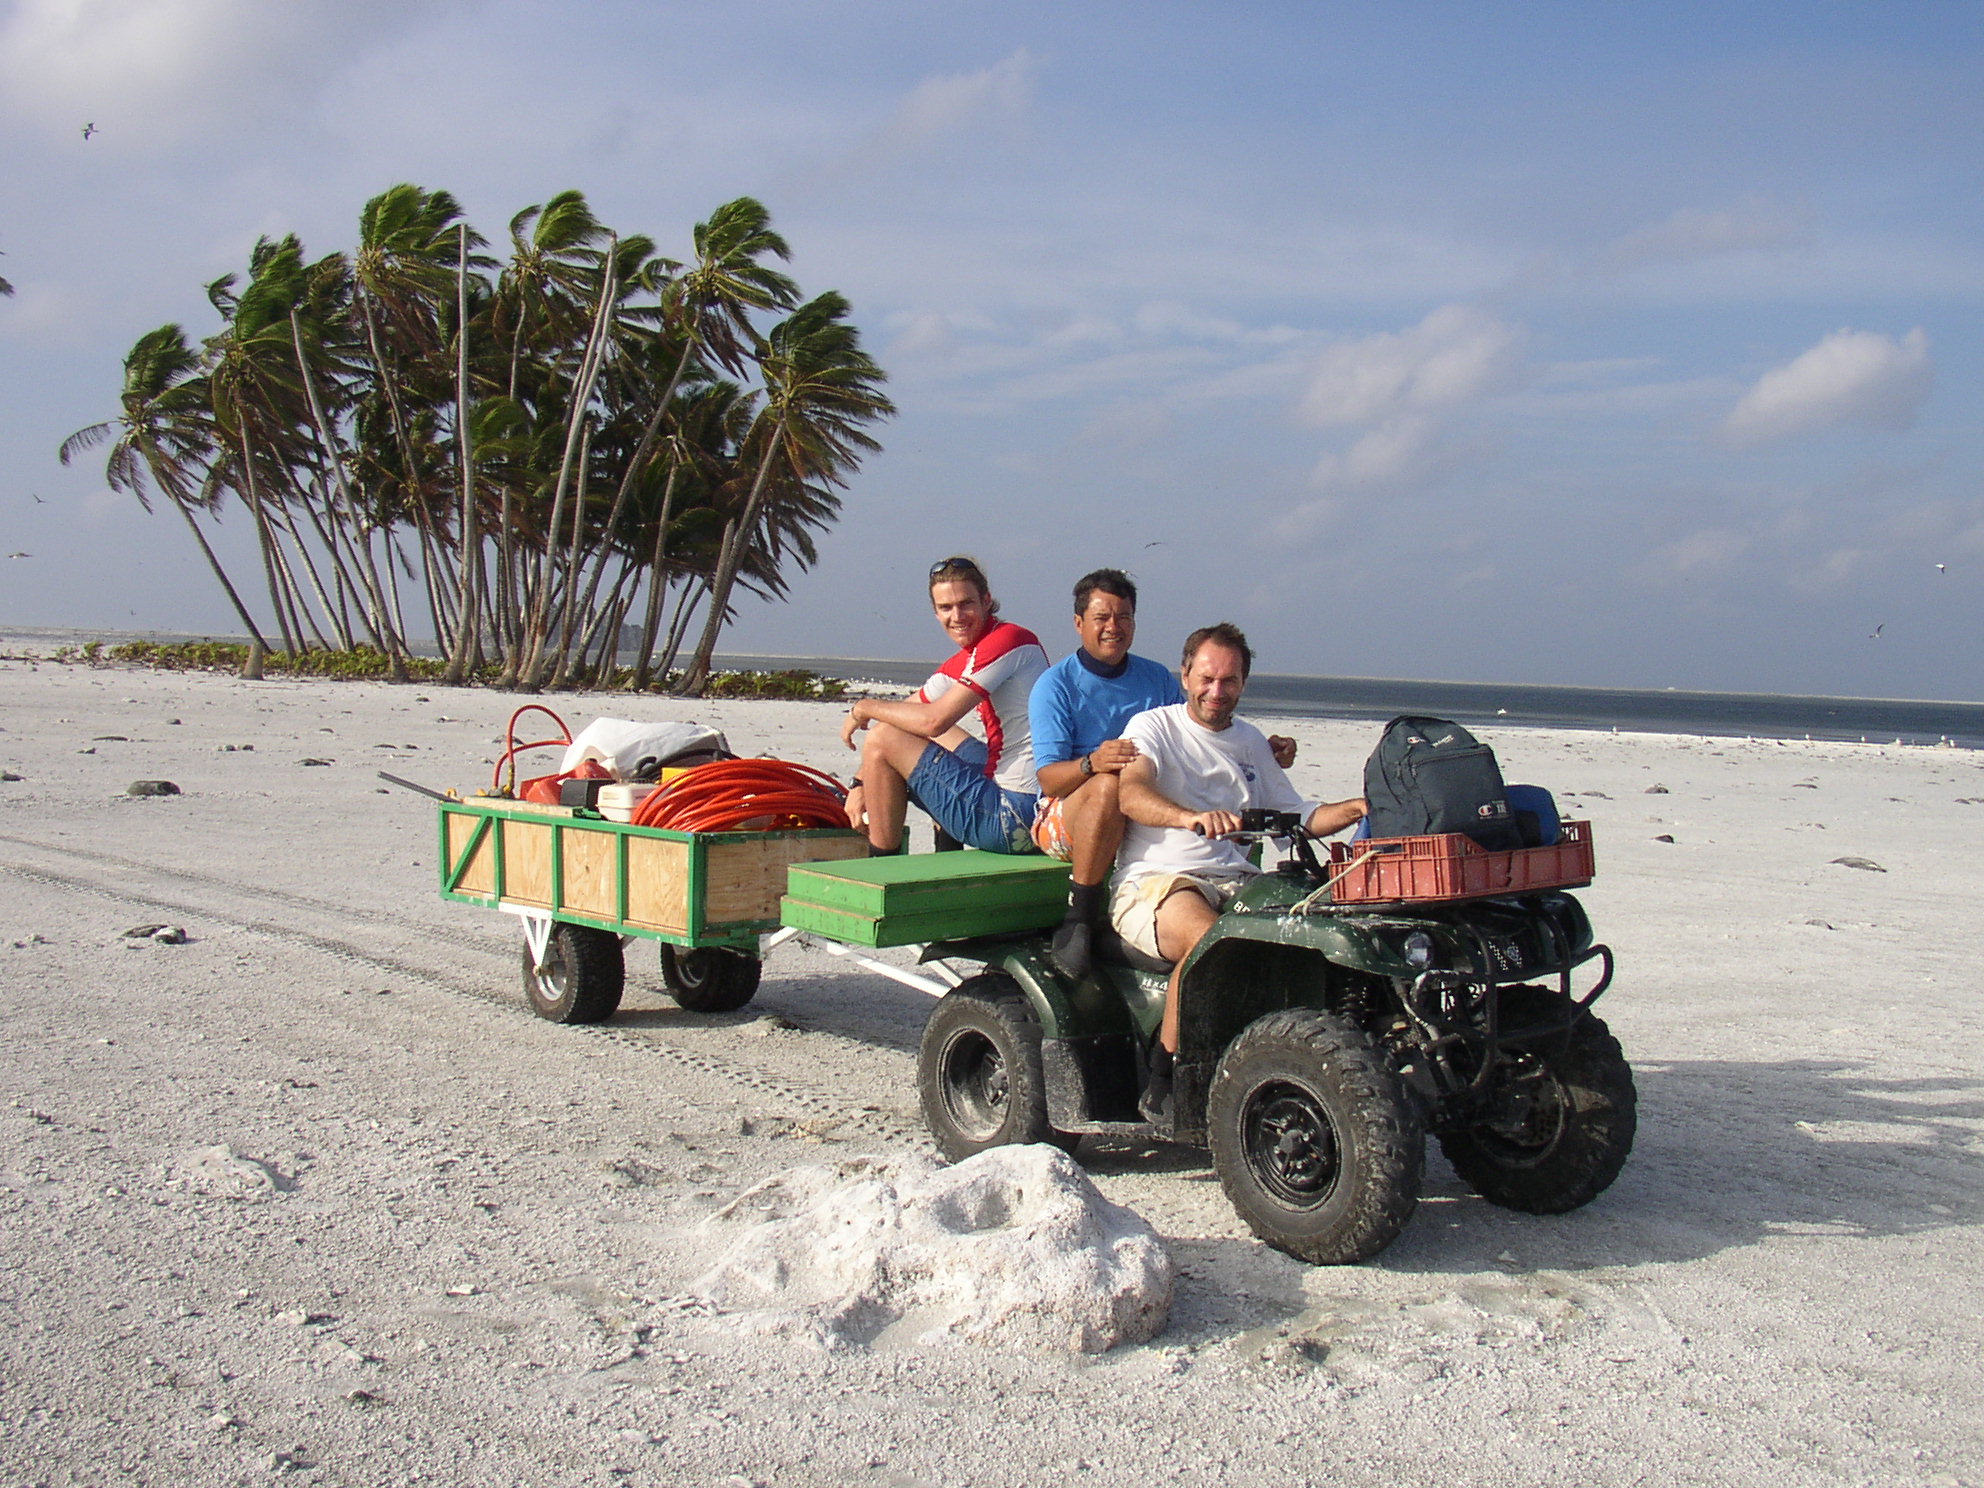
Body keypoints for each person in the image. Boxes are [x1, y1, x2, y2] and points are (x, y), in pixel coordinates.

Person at [1111, 622, 1365, 1121]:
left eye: (1228, 681)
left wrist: (1356, 807)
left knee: (1317, 932)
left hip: (1238, 883)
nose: (1216, 691)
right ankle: (1163, 1077)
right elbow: (1131, 793)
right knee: (1212, 944)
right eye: (1206, 678)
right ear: (1185, 675)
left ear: (1243, 684)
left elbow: (1299, 815)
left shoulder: (1250, 742)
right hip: (1158, 882)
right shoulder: (1153, 728)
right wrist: (1190, 818)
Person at [1029, 569, 1295, 980]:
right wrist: (1091, 764)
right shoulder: (1056, 685)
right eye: (1102, 617)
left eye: (1124, 617)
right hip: (1069, 811)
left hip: (1139, 814)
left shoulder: (1154, 677)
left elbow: (1196, 732)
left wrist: (1263, 748)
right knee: (1109, 785)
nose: (1113, 628)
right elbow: (1048, 780)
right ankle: (1079, 917)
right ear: (1079, 622)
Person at [840, 556, 1048, 854]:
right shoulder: (970, 658)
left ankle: (880, 865)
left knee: (882, 738)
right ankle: (945, 850)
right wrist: (859, 783)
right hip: (1013, 793)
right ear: (935, 613)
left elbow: (932, 721)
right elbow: (909, 716)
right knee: (901, 732)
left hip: (1018, 817)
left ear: (986, 601)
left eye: (966, 604)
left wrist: (863, 707)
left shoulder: (1008, 640)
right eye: (946, 608)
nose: (957, 616)